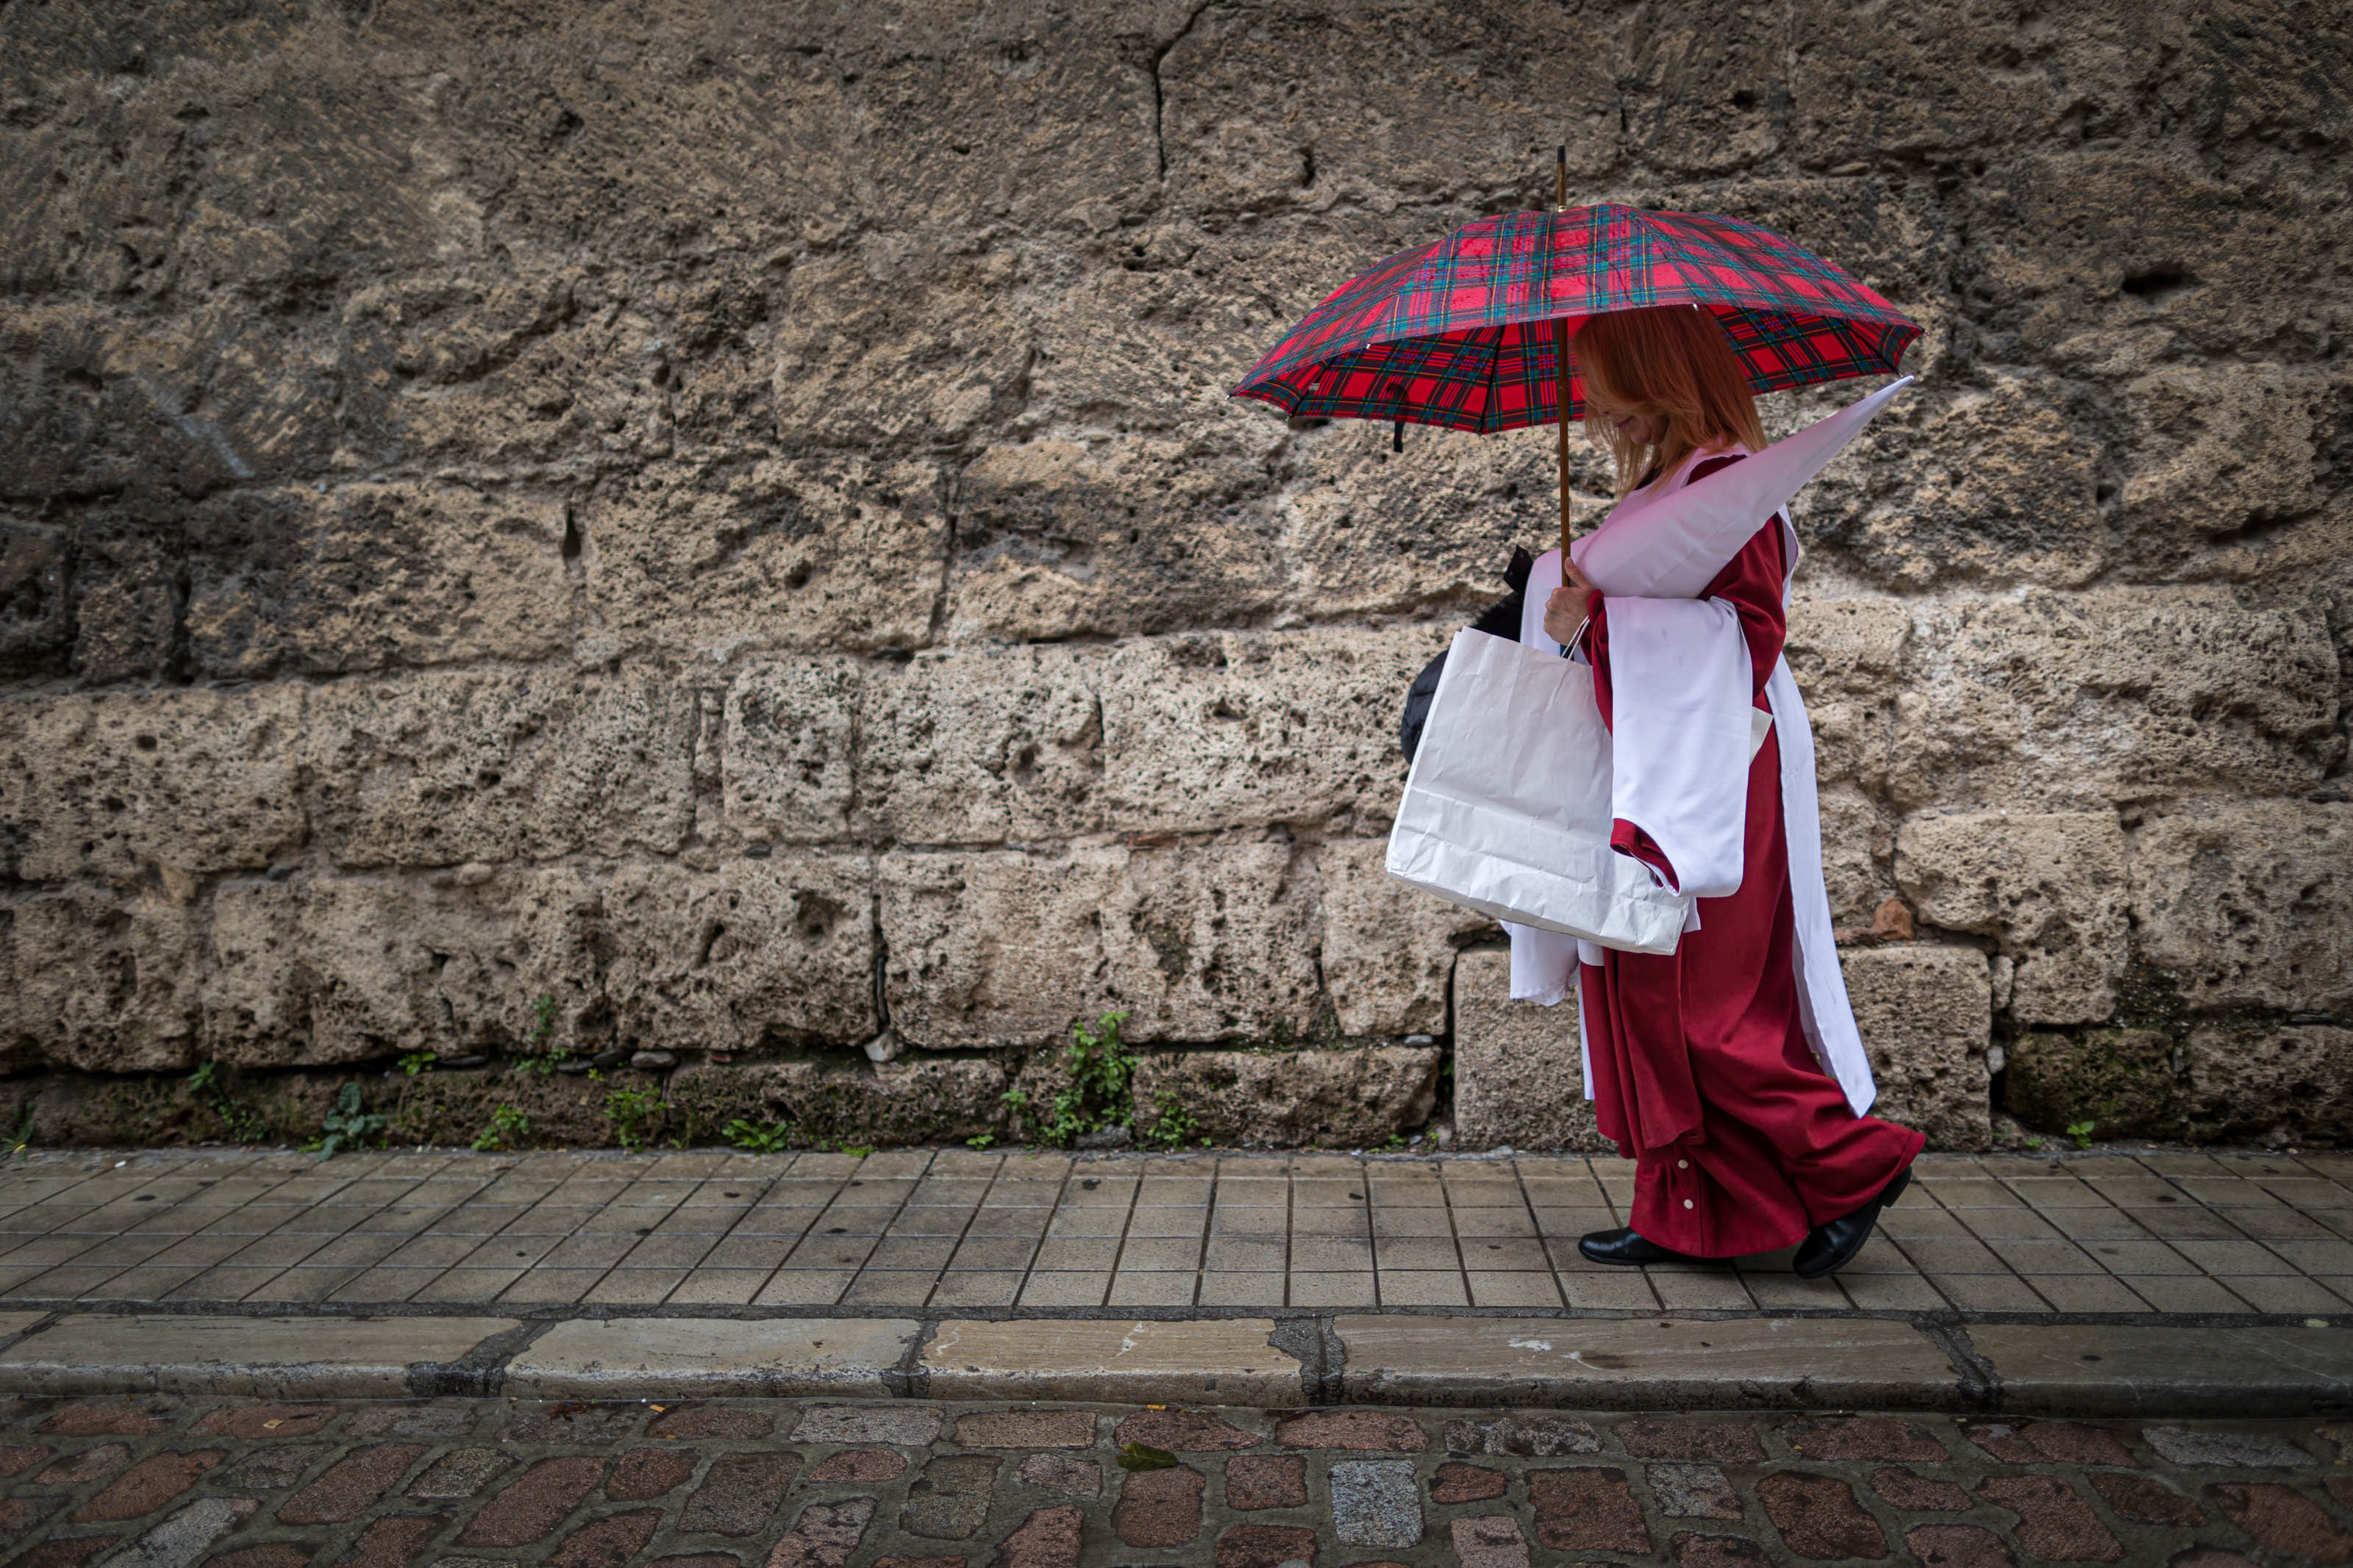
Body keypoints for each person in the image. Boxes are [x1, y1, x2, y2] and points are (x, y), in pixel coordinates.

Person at [1538, 304, 1922, 1279]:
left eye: (1615, 391)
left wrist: (1608, 621)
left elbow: (1747, 636)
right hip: (1661, 762)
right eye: (1596, 393)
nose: (1602, 414)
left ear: (1665, 376)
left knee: (1710, 1006)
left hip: (1718, 768)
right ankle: (1683, 1214)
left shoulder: (1728, 490)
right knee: (1642, 990)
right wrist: (1581, 613)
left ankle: (1851, 1165)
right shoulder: (1670, 486)